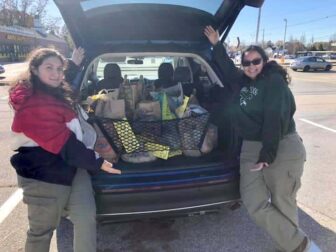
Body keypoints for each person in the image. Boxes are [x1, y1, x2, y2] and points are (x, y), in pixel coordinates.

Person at [204, 26, 320, 252]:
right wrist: (216, 45)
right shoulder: (243, 82)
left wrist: (268, 153)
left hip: (282, 145)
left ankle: (296, 248)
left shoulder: (274, 82)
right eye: (246, 63)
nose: (251, 66)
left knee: (282, 202)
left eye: (255, 61)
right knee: (252, 200)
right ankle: (299, 243)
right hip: (251, 147)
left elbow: (274, 120)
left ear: (264, 62)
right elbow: (228, 69)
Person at [8, 47, 121, 252]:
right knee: (41, 232)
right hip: (44, 174)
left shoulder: (55, 92)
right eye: (49, 67)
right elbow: (65, 143)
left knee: (85, 218)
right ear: (34, 69)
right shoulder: (31, 103)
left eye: (60, 69)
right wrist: (98, 162)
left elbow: (61, 84)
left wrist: (74, 65)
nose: (56, 73)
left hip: (73, 167)